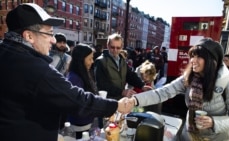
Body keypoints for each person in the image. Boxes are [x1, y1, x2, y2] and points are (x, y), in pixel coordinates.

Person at [0, 3, 133, 141]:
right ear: (29, 36)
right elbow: (77, 99)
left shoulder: (6, 54)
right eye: (49, 34)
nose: (53, 40)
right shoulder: (35, 69)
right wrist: (116, 105)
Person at [128, 38, 229, 140]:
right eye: (192, 56)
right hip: (188, 136)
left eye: (199, 57)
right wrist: (133, 100)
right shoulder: (188, 78)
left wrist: (214, 122)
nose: (193, 61)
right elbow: (162, 93)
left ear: (213, 61)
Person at [94, 33, 147, 100]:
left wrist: (142, 86)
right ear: (108, 46)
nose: (115, 50)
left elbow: (130, 75)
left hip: (120, 99)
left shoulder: (122, 60)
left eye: (118, 48)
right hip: (107, 101)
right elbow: (102, 85)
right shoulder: (100, 61)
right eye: (112, 47)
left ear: (122, 47)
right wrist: (122, 92)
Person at [66, 43, 99, 139]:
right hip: (79, 126)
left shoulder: (83, 73)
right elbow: (79, 104)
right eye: (89, 59)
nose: (92, 61)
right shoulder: (74, 78)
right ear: (81, 60)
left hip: (86, 123)